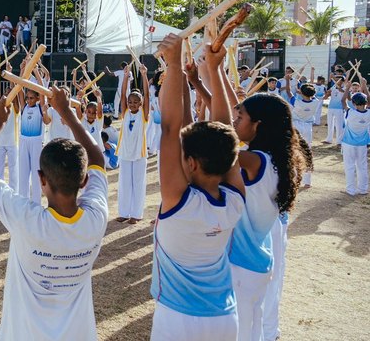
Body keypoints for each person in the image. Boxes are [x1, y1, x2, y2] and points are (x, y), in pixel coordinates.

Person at [0, 85, 108, 340]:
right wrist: (67, 113)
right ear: (83, 181)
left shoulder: (26, 219)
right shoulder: (96, 219)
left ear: (41, 179)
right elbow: (98, 160)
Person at [150, 33, 246, 340]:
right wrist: (213, 71)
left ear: (191, 163)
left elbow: (169, 128)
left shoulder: (178, 201)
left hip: (177, 319)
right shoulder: (234, 201)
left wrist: (175, 63)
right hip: (225, 317)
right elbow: (225, 131)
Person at [230, 92, 304, 340]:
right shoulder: (277, 160)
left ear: (257, 125)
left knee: (239, 332)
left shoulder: (253, 162)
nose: (234, 122)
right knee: (251, 329)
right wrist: (206, 77)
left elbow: (219, 139)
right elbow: (230, 125)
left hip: (240, 265)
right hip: (257, 262)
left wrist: (212, 73)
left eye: (239, 118)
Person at [115, 64, 150, 224]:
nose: (132, 104)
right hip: (125, 153)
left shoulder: (144, 114)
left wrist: (144, 75)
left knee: (138, 184)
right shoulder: (125, 113)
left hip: (139, 154)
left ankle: (136, 214)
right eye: (130, 101)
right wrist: (126, 77)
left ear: (141, 103)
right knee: (124, 184)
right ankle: (124, 212)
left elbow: (148, 96)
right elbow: (122, 94)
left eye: (136, 101)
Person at [15, 70, 52, 204]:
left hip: (36, 142)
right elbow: (19, 87)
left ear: (37, 98)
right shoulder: (23, 107)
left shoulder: (40, 108)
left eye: (32, 98)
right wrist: (23, 71)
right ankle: (22, 202)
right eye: (27, 98)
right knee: (23, 173)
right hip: (24, 141)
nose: (29, 100)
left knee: (37, 173)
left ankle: (36, 202)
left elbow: (42, 89)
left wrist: (36, 71)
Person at [340, 87, 370, 196]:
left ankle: (350, 190)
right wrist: (365, 86)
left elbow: (343, 101)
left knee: (350, 166)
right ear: (366, 102)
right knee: (362, 166)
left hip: (348, 144)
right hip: (362, 144)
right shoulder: (369, 113)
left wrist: (347, 87)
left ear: (353, 103)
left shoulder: (350, 112)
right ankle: (363, 189)